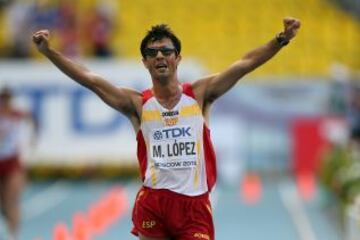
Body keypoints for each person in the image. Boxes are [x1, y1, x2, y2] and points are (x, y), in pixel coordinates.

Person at [32, 17, 300, 240]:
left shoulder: (200, 94)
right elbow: (90, 79)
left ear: (177, 58)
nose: (159, 55)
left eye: (165, 51)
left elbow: (244, 64)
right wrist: (48, 52)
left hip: (194, 206)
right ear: (145, 63)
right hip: (154, 203)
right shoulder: (137, 103)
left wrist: (281, 39)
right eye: (151, 53)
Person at [0, 87, 37, 240]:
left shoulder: (17, 114)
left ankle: (12, 236)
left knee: (12, 201)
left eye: (8, 99)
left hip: (12, 161)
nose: (5, 102)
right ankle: (9, 221)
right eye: (3, 99)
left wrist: (33, 139)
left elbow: (33, 119)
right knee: (3, 205)